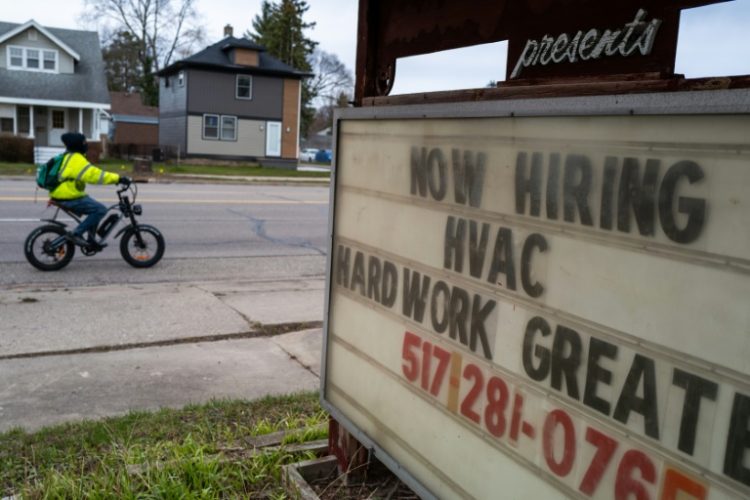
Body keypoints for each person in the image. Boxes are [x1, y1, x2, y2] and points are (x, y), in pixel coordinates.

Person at [49, 132, 131, 249]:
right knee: (100, 209)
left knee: (95, 208)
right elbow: (94, 175)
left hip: (67, 193)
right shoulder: (76, 159)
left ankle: (91, 240)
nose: (86, 145)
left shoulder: (69, 156)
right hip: (68, 196)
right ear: (77, 144)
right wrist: (118, 178)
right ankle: (76, 233)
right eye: (84, 142)